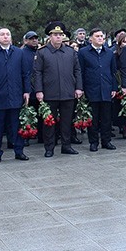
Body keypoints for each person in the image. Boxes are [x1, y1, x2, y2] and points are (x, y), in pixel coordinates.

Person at [0, 27, 32, 163]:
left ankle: (19, 151)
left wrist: (27, 91)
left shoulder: (19, 53)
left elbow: (25, 74)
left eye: (8, 34)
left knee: (16, 125)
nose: (5, 37)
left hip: (16, 95)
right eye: (2, 34)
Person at [32, 22, 83, 157]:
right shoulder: (42, 52)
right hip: (50, 93)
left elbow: (77, 70)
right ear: (50, 36)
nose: (58, 37)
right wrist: (39, 90)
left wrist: (79, 88)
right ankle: (49, 148)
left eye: (61, 35)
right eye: (55, 35)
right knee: (49, 122)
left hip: (68, 92)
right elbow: (37, 72)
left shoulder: (70, 51)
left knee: (67, 122)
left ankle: (66, 146)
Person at [78, 28, 118, 151]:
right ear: (91, 39)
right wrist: (81, 88)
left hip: (106, 89)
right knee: (93, 119)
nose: (100, 38)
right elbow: (81, 72)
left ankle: (106, 141)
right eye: (97, 36)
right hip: (91, 89)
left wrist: (114, 88)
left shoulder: (109, 53)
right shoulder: (83, 52)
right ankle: (93, 142)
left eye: (102, 36)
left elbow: (113, 72)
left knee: (106, 118)